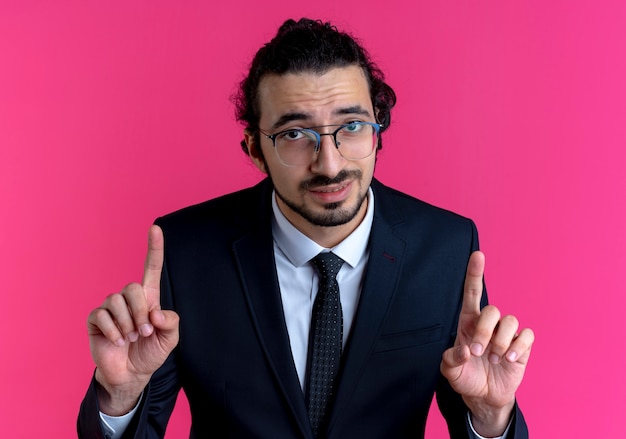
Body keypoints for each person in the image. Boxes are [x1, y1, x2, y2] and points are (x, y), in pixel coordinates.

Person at [78, 18, 534, 439]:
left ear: (377, 132)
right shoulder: (187, 251)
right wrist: (119, 397)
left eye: (351, 126)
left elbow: (475, 400)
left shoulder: (448, 249)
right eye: (295, 134)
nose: (330, 164)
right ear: (255, 148)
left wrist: (491, 416)